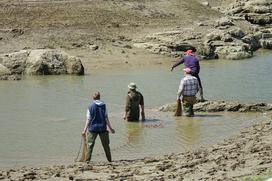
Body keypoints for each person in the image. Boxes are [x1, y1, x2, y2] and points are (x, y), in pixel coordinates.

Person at [82, 91, 115, 163]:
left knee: (90, 145)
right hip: (102, 128)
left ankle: (87, 161)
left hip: (92, 128)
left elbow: (88, 119)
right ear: (100, 97)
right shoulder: (104, 106)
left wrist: (84, 130)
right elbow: (106, 118)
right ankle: (109, 160)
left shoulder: (90, 107)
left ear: (93, 98)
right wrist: (111, 128)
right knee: (106, 145)